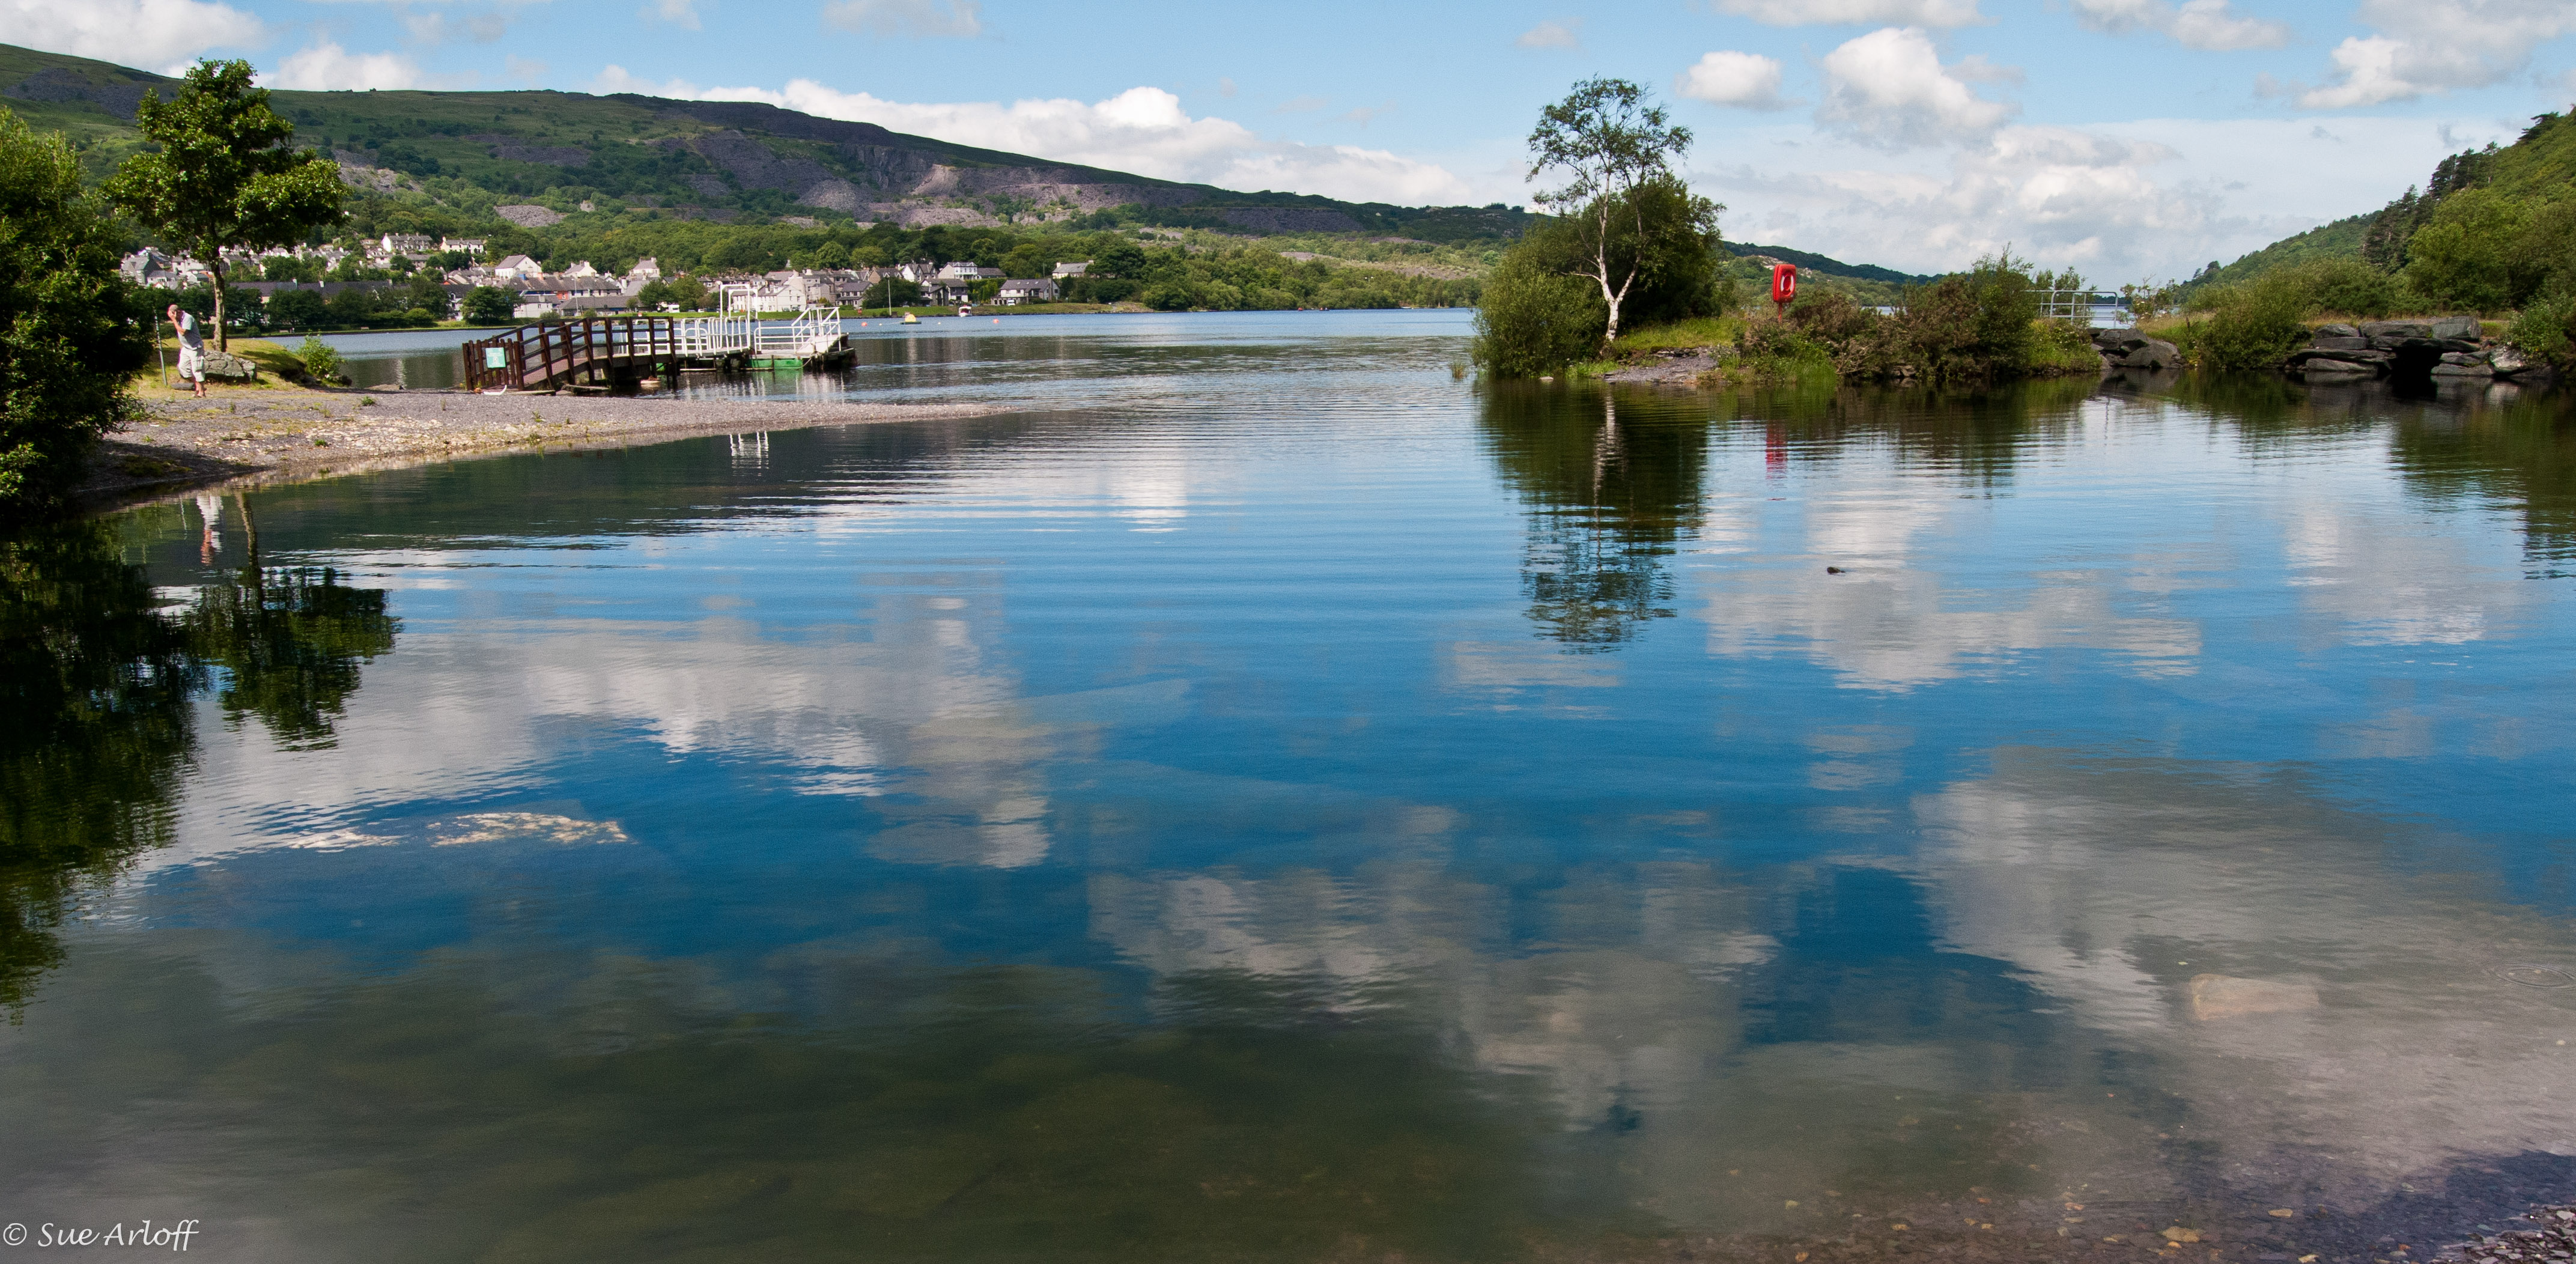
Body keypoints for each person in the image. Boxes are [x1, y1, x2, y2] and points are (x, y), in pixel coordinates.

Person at [169, 304, 207, 398]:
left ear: (178, 312)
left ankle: (201, 393)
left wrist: (174, 320)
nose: (173, 318)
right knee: (183, 368)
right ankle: (198, 386)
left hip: (195, 347)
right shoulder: (179, 319)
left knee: (197, 369)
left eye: (173, 315)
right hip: (186, 348)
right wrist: (175, 319)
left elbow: (183, 332)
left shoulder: (188, 318)